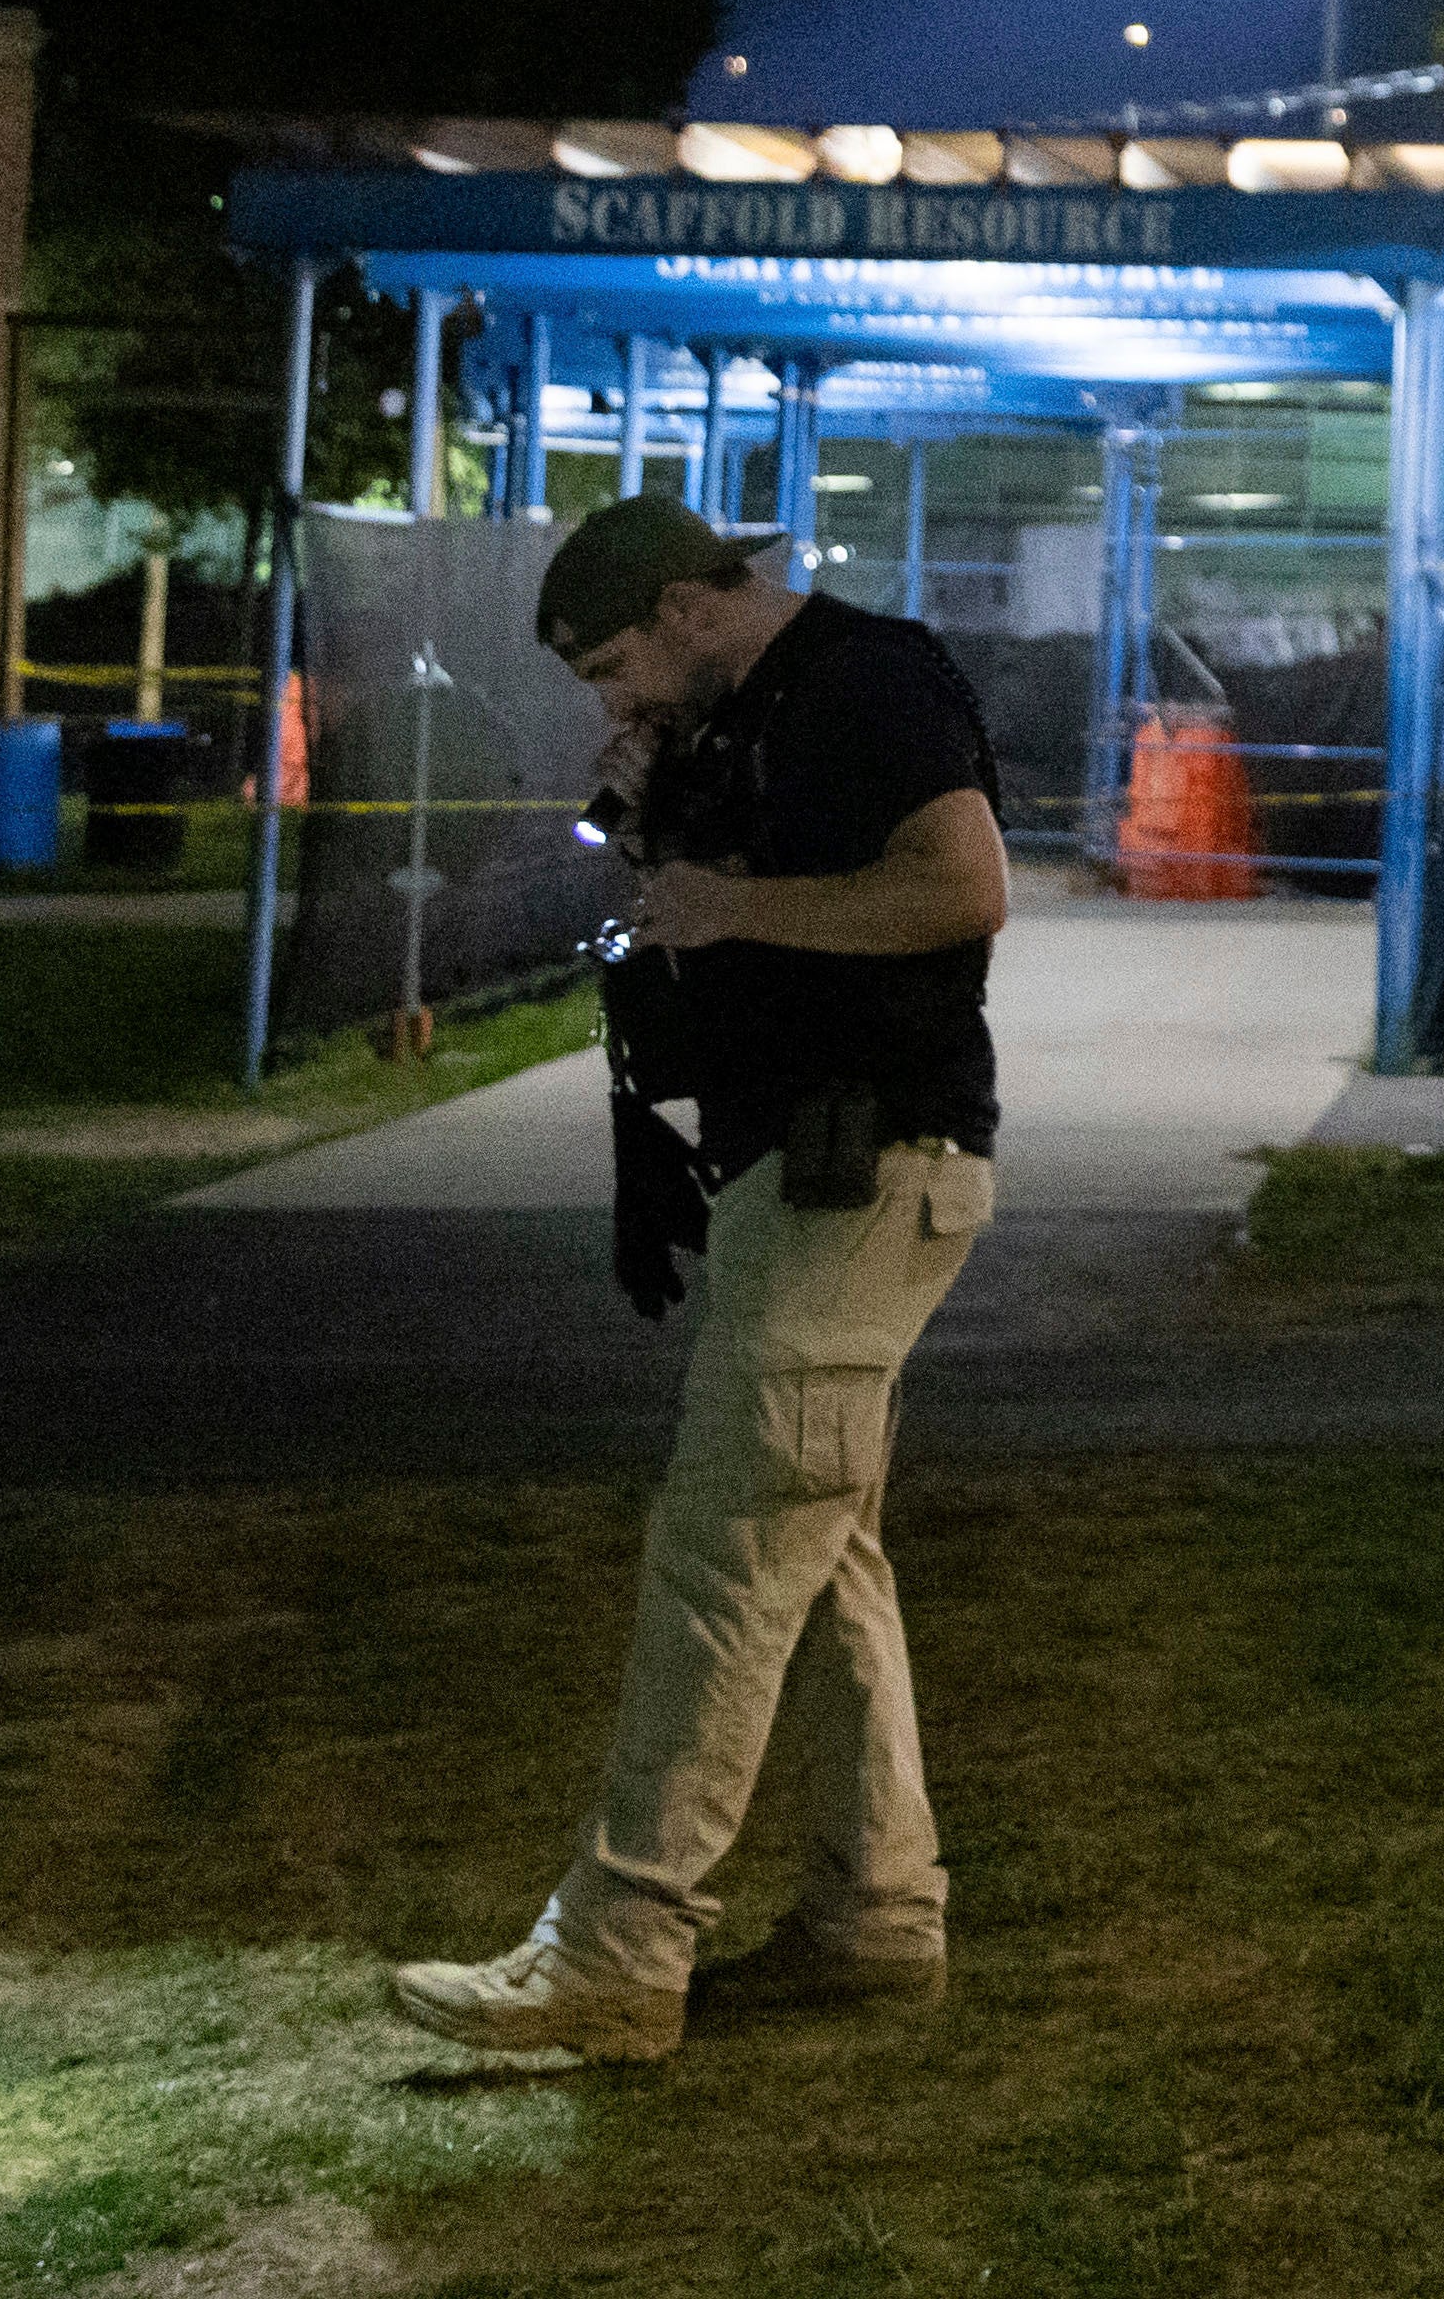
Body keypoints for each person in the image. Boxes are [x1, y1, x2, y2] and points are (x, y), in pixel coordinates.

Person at [391, 493, 1017, 2064]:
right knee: (818, 1558)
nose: (614, 703)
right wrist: (658, 823)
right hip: (799, 1168)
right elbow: (689, 920)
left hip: (864, 1166)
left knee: (725, 1564)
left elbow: (962, 886)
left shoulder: (869, 681)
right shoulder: (739, 719)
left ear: (687, 603)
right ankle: (875, 1919)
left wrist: (736, 902)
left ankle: (616, 1948)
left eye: (616, 669)